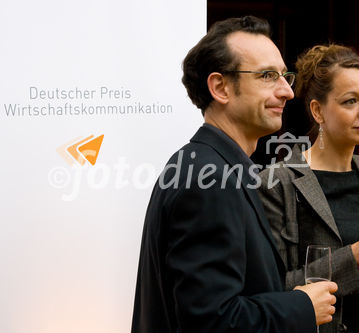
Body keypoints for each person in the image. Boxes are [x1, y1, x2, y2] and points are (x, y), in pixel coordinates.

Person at [131, 16, 338, 333]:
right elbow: (212, 321)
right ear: (220, 87)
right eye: (268, 76)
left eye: (286, 77)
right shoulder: (209, 179)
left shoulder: (207, 165)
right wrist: (302, 307)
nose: (287, 92)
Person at [258, 44, 359, 332]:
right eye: (351, 101)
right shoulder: (278, 181)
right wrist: (352, 257)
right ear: (317, 110)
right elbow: (271, 289)